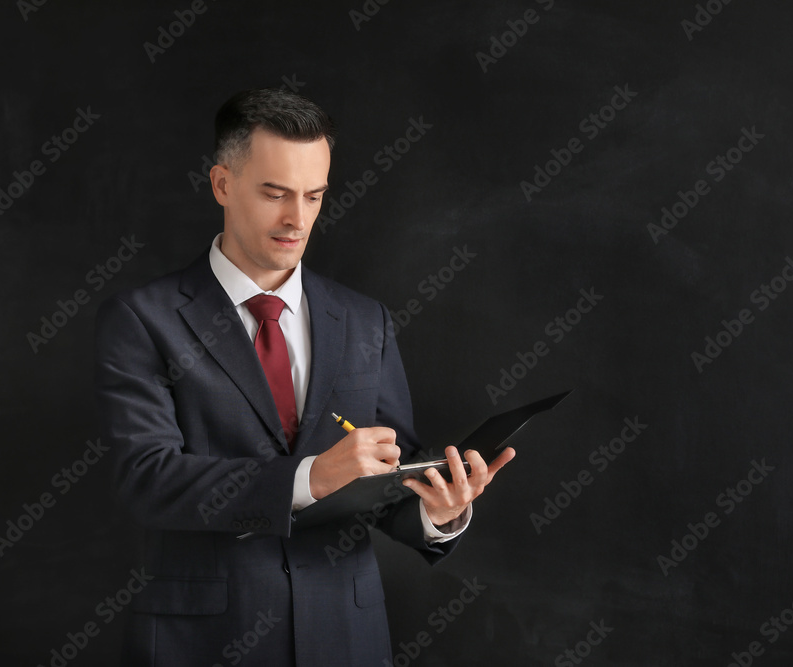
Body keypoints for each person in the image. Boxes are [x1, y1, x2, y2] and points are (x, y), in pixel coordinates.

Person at [93, 88, 514, 667]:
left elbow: (386, 477)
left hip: (347, 637)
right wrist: (311, 477)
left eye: (314, 196)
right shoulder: (142, 319)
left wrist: (436, 512)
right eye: (275, 194)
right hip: (204, 642)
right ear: (221, 185)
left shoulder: (366, 319)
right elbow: (146, 480)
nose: (298, 219)